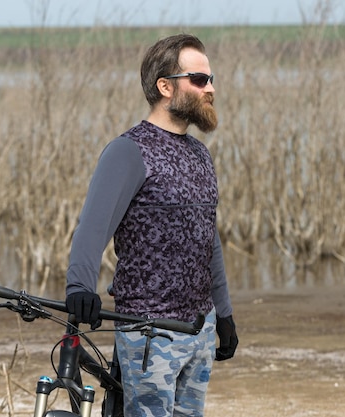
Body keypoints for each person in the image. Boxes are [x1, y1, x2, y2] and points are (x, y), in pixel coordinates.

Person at [65, 33, 238, 417]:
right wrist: (79, 286)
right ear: (165, 86)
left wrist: (223, 314)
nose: (210, 88)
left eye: (211, 79)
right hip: (149, 331)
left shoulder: (199, 155)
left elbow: (207, 240)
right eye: (199, 79)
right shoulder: (129, 151)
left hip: (199, 329)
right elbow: (93, 228)